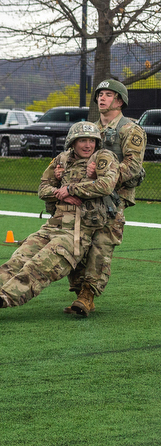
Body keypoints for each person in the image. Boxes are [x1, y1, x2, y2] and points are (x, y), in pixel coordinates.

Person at [0, 121, 120, 322]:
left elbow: (107, 185)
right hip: (52, 227)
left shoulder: (103, 157)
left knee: (38, 269)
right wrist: (60, 194)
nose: (87, 145)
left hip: (75, 233)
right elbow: (43, 188)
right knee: (18, 259)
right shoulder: (62, 159)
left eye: (92, 141)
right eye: (82, 140)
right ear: (72, 142)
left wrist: (72, 189)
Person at [58, 79, 146, 314]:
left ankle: (88, 295)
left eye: (108, 94)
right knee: (75, 243)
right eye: (100, 94)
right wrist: (61, 170)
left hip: (113, 198)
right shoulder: (90, 129)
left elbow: (134, 166)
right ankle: (79, 292)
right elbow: (73, 157)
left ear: (119, 100)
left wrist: (103, 178)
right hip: (84, 195)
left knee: (102, 246)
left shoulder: (130, 129)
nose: (102, 98)